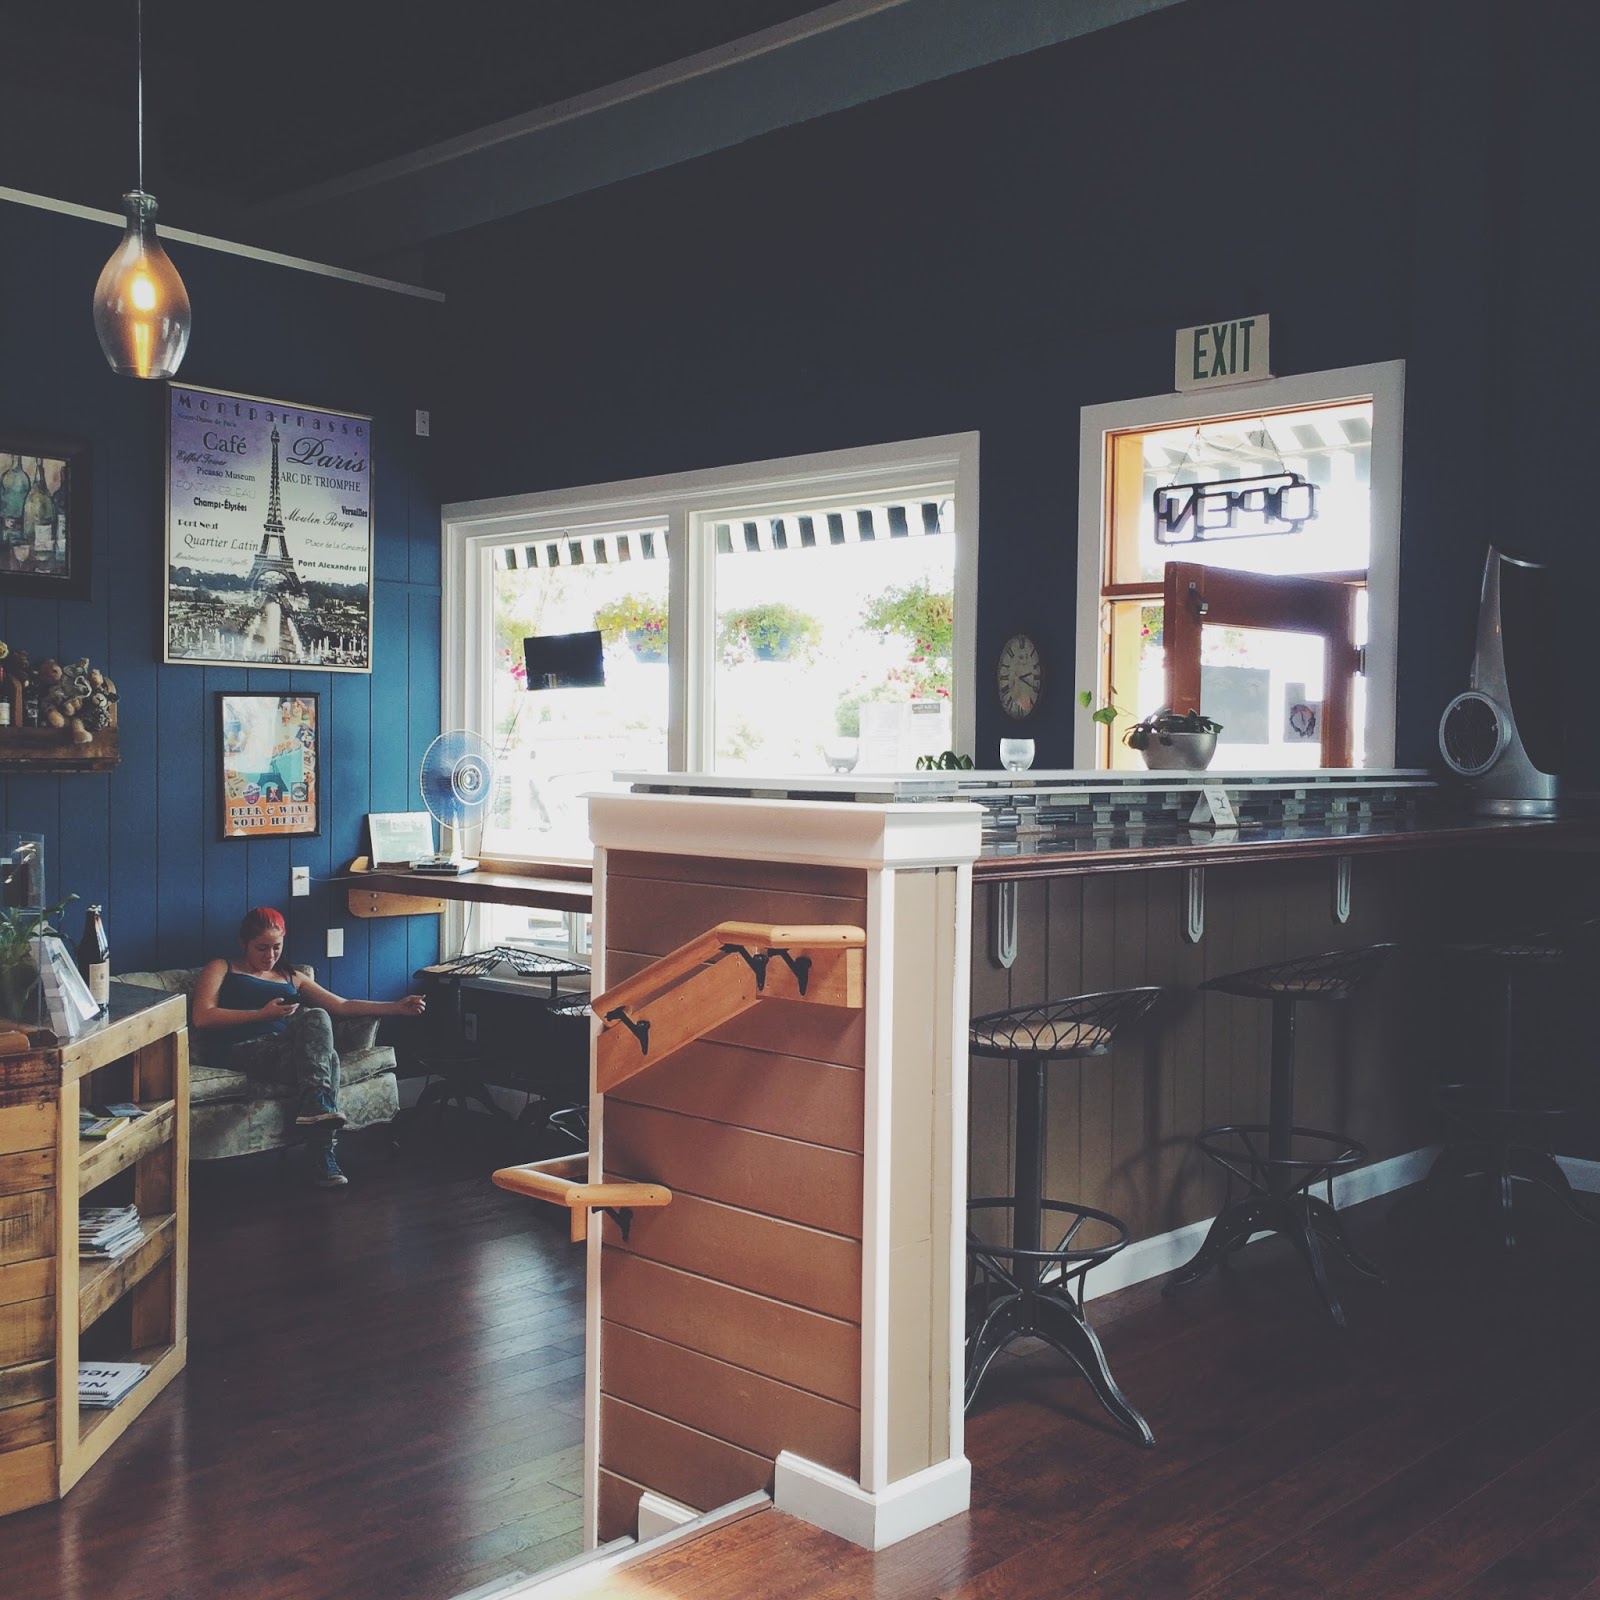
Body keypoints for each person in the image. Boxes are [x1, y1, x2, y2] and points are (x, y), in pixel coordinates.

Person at [191, 907, 425, 1188]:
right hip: (242, 1049)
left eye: (276, 947)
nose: (269, 956)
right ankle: (322, 1152)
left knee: (319, 1019)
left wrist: (396, 1007)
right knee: (329, 1060)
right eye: (261, 948)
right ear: (244, 944)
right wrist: (262, 1015)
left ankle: (317, 1112)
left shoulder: (293, 976)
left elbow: (342, 1005)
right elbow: (203, 1016)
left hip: (283, 1050)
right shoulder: (222, 968)